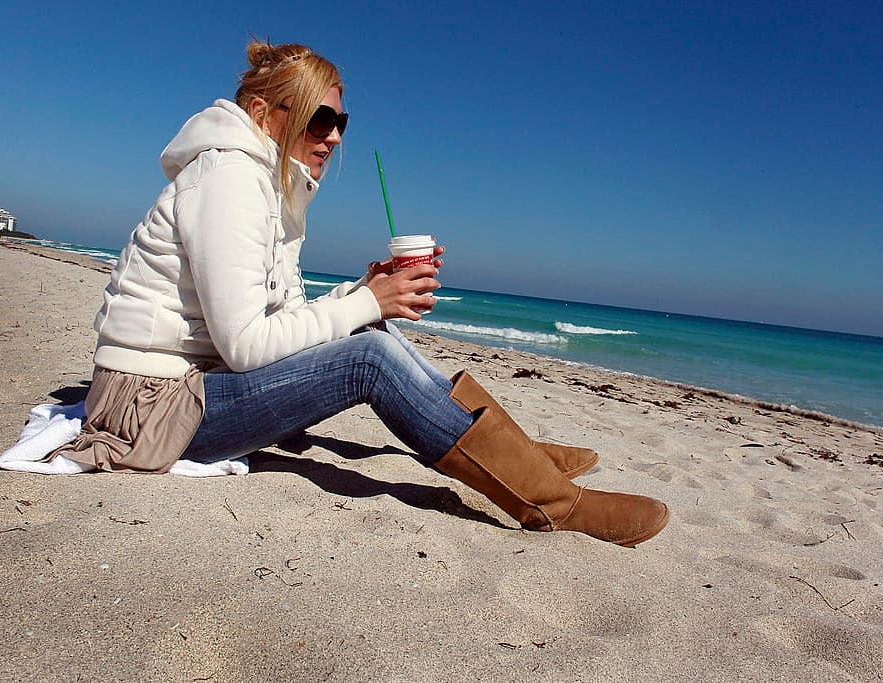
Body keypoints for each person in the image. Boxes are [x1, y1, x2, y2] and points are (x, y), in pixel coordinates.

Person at [51, 40, 669, 547]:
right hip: (152, 411)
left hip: (186, 390)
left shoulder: (270, 186)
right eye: (321, 119)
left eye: (340, 121)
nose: (335, 136)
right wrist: (368, 301)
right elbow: (244, 344)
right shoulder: (230, 179)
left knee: (366, 331)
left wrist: (363, 293)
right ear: (267, 115)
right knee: (368, 356)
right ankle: (553, 502)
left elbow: (280, 314)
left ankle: (522, 455)